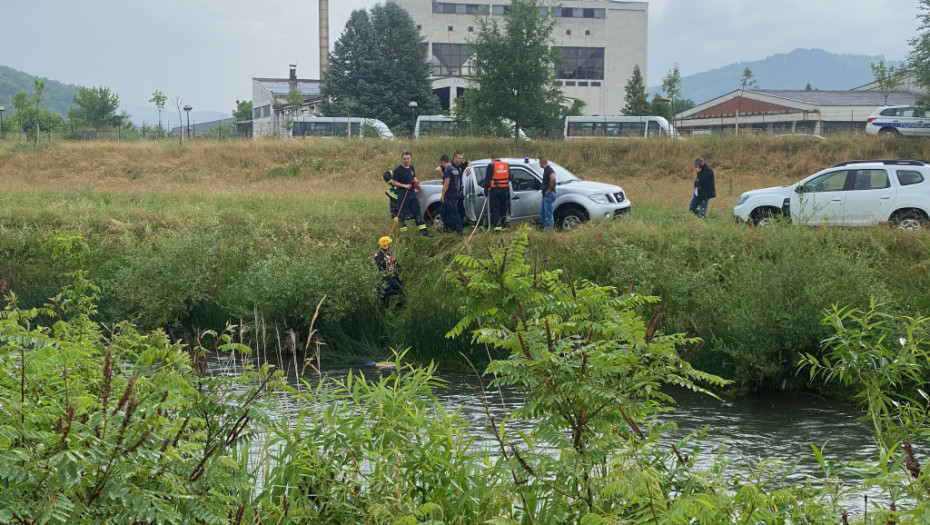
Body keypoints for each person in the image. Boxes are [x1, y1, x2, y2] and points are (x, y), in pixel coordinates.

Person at [391, 152, 430, 236]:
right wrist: (404, 185)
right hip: (403, 194)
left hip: (412, 194)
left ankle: (424, 232)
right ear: (402, 159)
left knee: (417, 212)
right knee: (402, 214)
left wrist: (416, 181)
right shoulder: (398, 170)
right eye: (405, 159)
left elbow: (413, 177)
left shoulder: (411, 168)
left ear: (410, 159)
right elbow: (393, 182)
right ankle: (403, 234)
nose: (406, 160)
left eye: (408, 159)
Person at [482, 153, 513, 231]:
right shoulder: (506, 165)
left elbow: (487, 180)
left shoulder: (491, 166)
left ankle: (497, 228)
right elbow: (511, 177)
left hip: (495, 190)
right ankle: (503, 226)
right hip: (505, 190)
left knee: (495, 210)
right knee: (503, 209)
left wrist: (486, 193)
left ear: (492, 159)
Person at [373, 236, 405, 310]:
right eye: (389, 244)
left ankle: (397, 309)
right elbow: (379, 267)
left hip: (393, 276)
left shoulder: (388, 252)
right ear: (384, 244)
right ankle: (385, 313)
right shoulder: (379, 255)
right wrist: (385, 277)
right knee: (385, 297)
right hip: (385, 279)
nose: (391, 245)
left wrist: (398, 267)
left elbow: (393, 261)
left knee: (403, 293)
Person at [441, 152, 469, 235]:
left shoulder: (448, 169)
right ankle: (447, 228)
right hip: (455, 192)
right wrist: (457, 190)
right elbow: (458, 181)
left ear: (442, 162)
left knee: (454, 213)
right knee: (444, 211)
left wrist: (442, 194)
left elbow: (446, 183)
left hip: (450, 194)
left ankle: (459, 232)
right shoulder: (455, 169)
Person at [539, 157, 557, 230]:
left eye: (539, 163)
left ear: (541, 162)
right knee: (543, 214)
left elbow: (553, 178)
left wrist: (549, 189)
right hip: (546, 195)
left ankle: (549, 231)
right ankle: (545, 229)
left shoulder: (549, 170)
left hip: (549, 195)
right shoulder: (546, 170)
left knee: (548, 215)